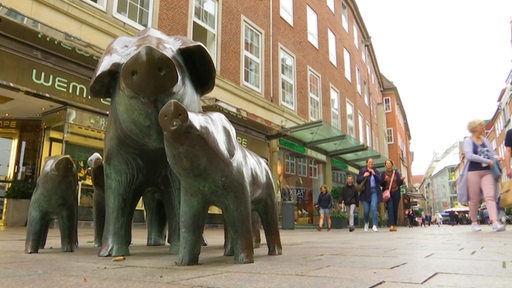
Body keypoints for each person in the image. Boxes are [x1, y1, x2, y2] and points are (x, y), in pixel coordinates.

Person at [458, 119, 505, 232]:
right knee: (474, 199)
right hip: (473, 172)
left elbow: (491, 153)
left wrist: (497, 157)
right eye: (481, 125)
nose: (483, 127)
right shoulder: (468, 141)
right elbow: (469, 156)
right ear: (475, 127)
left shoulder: (485, 140)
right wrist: (487, 160)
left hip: (487, 172)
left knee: (490, 196)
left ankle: (494, 222)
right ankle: (474, 222)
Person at [357, 158, 383, 232]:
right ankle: (366, 223)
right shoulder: (362, 171)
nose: (371, 163)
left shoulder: (376, 171)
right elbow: (358, 181)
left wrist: (374, 174)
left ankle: (374, 225)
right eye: (369, 162)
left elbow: (380, 181)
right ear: (366, 163)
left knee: (374, 208)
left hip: (374, 191)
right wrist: (364, 176)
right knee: (366, 210)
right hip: (365, 193)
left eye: (372, 162)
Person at [381, 159, 405, 232]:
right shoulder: (383, 173)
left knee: (395, 208)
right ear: (385, 165)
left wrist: (402, 180)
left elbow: (399, 183)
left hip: (396, 192)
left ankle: (394, 224)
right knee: (390, 208)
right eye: (387, 163)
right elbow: (381, 184)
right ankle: (391, 225)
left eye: (389, 163)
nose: (388, 165)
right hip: (388, 193)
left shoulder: (396, 173)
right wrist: (384, 180)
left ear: (392, 164)